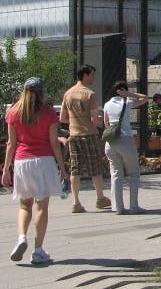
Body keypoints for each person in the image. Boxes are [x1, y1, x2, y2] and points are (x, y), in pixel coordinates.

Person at [2, 77, 67, 265]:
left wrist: (6, 169)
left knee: (24, 205)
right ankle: (38, 251)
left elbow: (11, 143)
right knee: (41, 206)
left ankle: (22, 237)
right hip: (44, 160)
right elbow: (55, 143)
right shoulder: (48, 113)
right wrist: (62, 168)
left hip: (22, 161)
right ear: (41, 92)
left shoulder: (13, 112)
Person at [60, 64, 111, 213]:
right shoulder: (90, 94)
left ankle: (76, 202)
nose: (94, 77)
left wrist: (76, 121)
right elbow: (95, 120)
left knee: (75, 169)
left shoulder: (68, 94)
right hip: (89, 134)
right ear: (86, 75)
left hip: (74, 135)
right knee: (94, 166)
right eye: (92, 74)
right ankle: (100, 198)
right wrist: (97, 120)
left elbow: (63, 117)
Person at [103, 81, 148, 215]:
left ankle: (117, 207)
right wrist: (128, 94)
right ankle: (134, 206)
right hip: (126, 139)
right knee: (133, 173)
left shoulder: (107, 104)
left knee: (116, 174)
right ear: (123, 90)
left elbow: (106, 123)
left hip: (110, 142)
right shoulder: (127, 103)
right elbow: (144, 98)